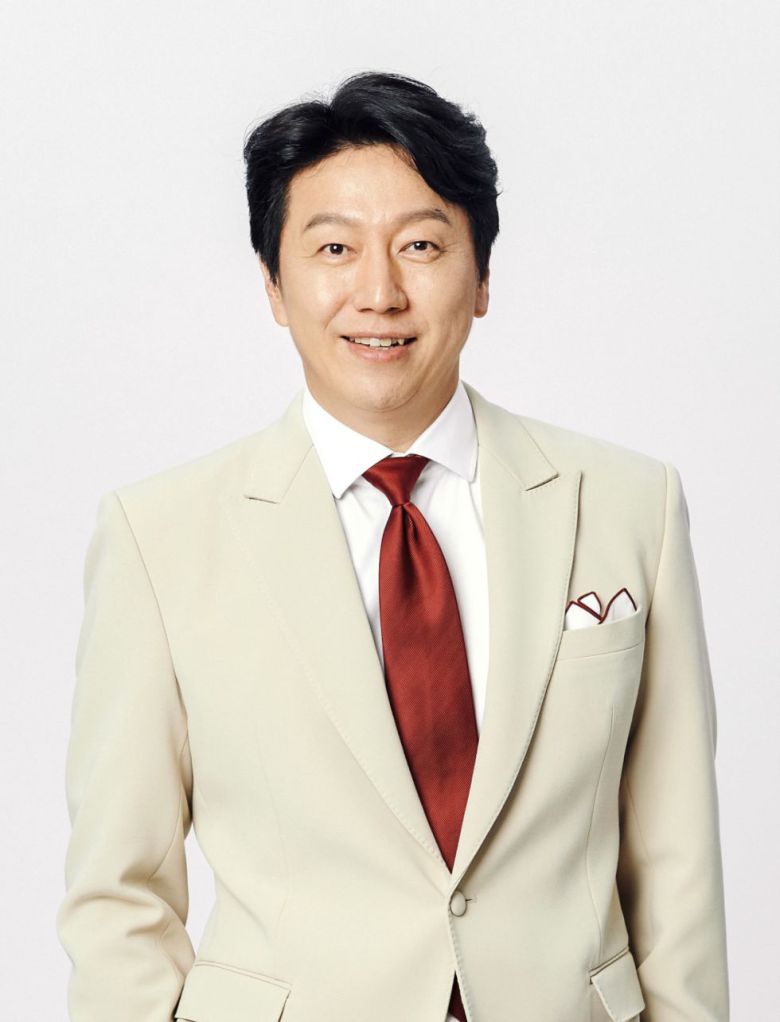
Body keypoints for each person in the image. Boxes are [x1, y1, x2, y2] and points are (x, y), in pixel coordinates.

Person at [56, 70, 729, 1022]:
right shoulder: (159, 535)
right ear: (274, 284)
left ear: (482, 277)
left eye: (421, 245)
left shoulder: (629, 504)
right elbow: (119, 895)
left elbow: (678, 862)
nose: (378, 292)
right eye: (334, 248)